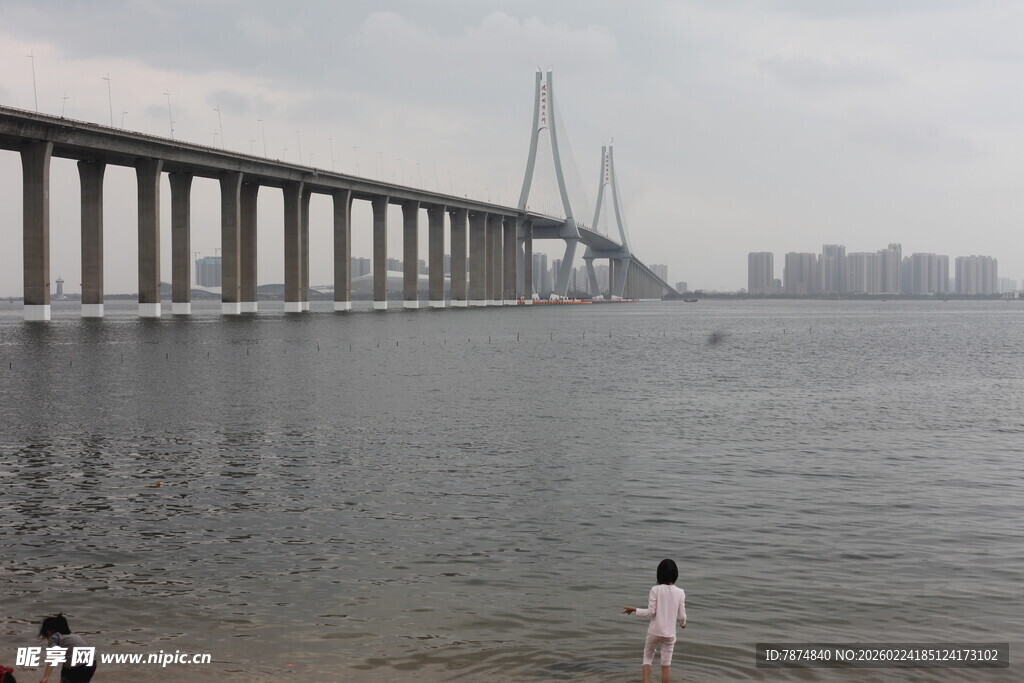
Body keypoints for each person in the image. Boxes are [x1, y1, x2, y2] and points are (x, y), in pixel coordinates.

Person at [623, 559, 687, 683]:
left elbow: (650, 612)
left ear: (659, 574)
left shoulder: (655, 590)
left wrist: (634, 609)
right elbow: (682, 615)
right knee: (666, 665)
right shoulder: (680, 593)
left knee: (647, 658)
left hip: (654, 631)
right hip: (669, 634)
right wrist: (683, 624)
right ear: (675, 574)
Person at [37, 614, 96, 683]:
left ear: (48, 632)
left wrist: (46, 677)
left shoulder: (54, 637)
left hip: (77, 668)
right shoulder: (73, 636)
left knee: (66, 672)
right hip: (92, 664)